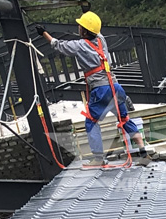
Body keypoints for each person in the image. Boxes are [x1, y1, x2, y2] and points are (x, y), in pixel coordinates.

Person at [35, 13, 149, 164]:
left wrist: (43, 33)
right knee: (124, 118)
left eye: (80, 26)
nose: (78, 27)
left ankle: (99, 158)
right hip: (115, 86)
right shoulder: (101, 40)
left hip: (101, 90)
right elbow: (95, 29)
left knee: (91, 121)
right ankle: (143, 150)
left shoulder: (80, 45)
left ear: (84, 31)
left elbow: (58, 45)